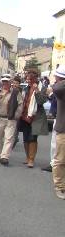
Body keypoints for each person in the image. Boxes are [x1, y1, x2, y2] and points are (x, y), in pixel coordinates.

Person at [0, 74, 23, 165]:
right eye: (3, 81)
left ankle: (5, 156)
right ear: (1, 82)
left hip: (11, 119)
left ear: (10, 82)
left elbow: (20, 105)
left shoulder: (16, 92)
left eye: (7, 81)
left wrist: (16, 115)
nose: (5, 83)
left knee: (9, 138)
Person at [18, 69, 49, 168]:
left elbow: (41, 101)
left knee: (32, 138)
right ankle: (27, 158)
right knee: (26, 138)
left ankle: (31, 159)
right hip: (25, 116)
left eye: (30, 79)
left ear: (35, 78)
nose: (28, 80)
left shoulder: (42, 88)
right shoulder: (26, 87)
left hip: (36, 117)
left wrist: (36, 90)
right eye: (27, 78)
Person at [51, 65, 65, 199]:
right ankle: (59, 186)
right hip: (63, 130)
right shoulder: (61, 89)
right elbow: (56, 87)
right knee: (60, 160)